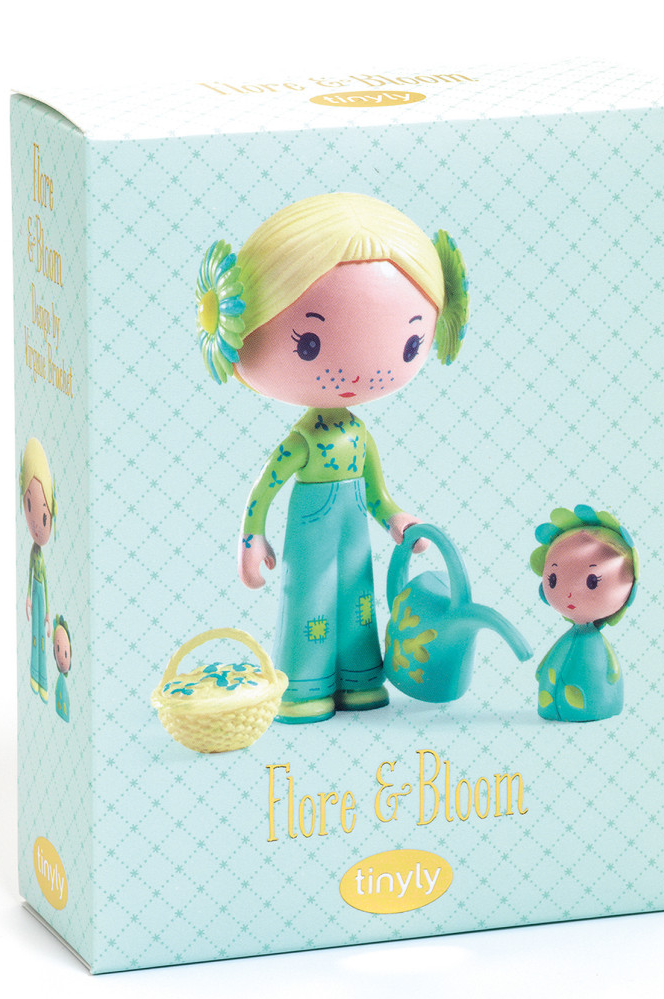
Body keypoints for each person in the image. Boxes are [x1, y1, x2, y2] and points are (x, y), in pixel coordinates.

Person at [194, 193, 469, 723]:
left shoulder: (359, 435)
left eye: (411, 344)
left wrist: (394, 516)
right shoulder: (301, 442)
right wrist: (252, 538)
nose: (358, 376)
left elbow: (377, 492)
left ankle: (360, 677)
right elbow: (265, 489)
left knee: (357, 596)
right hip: (312, 526)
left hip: (354, 526)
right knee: (310, 596)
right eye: (308, 344)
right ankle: (303, 685)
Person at [529, 504, 639, 722]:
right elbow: (555, 653)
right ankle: (556, 704)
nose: (570, 593)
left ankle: (584, 706)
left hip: (595, 702)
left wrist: (612, 671)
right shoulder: (574, 637)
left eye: (592, 581)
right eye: (553, 579)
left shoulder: (595, 642)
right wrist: (543, 667)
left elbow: (611, 667)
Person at [19, 437, 57, 702]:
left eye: (43, 516)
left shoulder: (38, 556)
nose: (36, 524)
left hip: (41, 595)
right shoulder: (34, 553)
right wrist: (28, 596)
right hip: (36, 593)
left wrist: (47, 611)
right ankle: (35, 677)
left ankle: (42, 680)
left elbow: (46, 585)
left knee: (42, 639)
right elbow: (29, 576)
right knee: (35, 637)